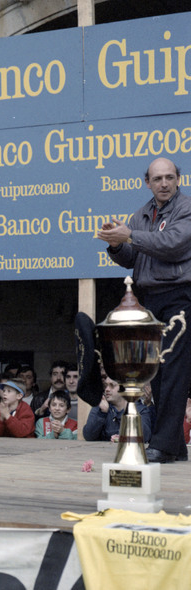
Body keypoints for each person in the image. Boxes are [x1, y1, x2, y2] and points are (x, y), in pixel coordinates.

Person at [97, 157, 191, 463]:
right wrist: (115, 244)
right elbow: (131, 257)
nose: (164, 183)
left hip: (179, 296)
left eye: (169, 177)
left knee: (174, 368)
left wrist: (130, 236)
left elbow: (172, 244)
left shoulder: (186, 208)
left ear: (178, 179)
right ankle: (174, 446)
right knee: (157, 370)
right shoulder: (140, 215)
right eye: (157, 179)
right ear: (147, 182)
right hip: (149, 298)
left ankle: (163, 444)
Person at [83, 375, 153, 443]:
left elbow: (144, 436)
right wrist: (102, 414)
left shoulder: (140, 409)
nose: (107, 389)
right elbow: (88, 435)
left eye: (112, 385)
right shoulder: (101, 406)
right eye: (106, 385)